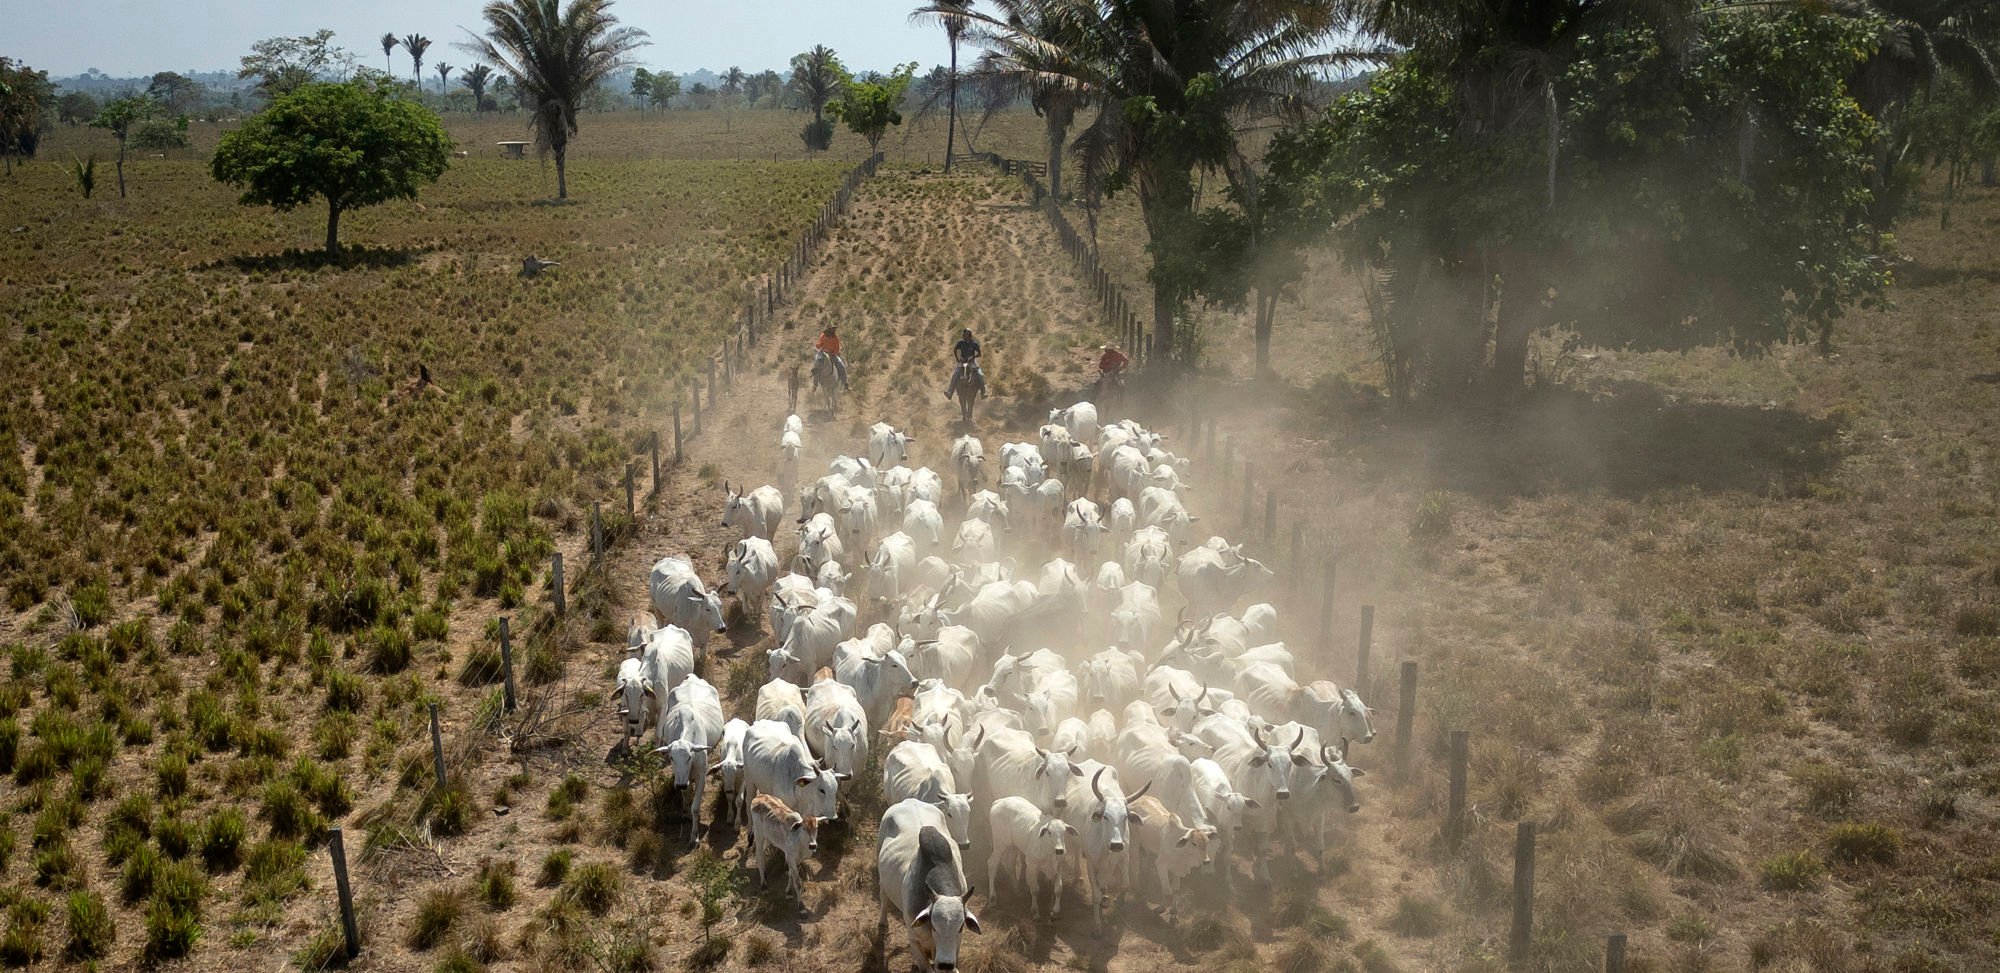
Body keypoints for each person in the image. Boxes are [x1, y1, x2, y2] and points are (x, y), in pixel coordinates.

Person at [946, 328, 984, 400]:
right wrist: (957, 359)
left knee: (980, 374)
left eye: (964, 334)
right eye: (963, 334)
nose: (963, 335)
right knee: (955, 374)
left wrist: (973, 357)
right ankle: (950, 392)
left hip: (971, 362)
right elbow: (955, 350)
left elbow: (980, 354)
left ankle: (983, 392)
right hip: (962, 362)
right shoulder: (960, 342)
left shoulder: (974, 344)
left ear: (968, 335)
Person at [814, 325, 849, 390]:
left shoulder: (835, 338)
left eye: (834, 329)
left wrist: (833, 353)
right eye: (833, 329)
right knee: (816, 364)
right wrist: (820, 346)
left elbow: (837, 348)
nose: (834, 330)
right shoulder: (823, 336)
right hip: (823, 354)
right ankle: (815, 384)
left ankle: (845, 383)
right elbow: (818, 344)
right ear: (829, 329)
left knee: (841, 365)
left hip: (832, 355)